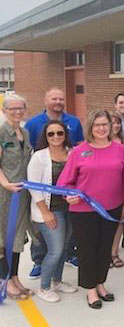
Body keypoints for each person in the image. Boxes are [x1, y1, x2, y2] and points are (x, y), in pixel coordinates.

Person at [57, 109, 124, 309]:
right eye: (97, 125)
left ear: (111, 126)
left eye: (105, 124)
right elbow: (64, 182)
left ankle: (100, 283)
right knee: (87, 250)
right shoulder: (79, 151)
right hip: (85, 211)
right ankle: (90, 289)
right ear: (90, 127)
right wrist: (69, 195)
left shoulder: (120, 150)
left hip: (113, 208)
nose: (101, 128)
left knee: (104, 249)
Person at [25, 87, 84, 274]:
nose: (58, 102)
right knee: (42, 226)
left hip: (67, 188)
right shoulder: (33, 123)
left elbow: (79, 147)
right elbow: (30, 151)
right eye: (54, 99)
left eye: (61, 98)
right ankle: (39, 260)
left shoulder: (74, 122)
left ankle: (67, 255)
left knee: (67, 227)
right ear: (45, 100)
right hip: (42, 181)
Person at [27, 119, 78, 302]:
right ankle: (44, 286)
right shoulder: (39, 157)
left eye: (59, 133)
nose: (56, 137)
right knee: (55, 250)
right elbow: (34, 187)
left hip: (70, 209)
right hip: (49, 210)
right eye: (51, 134)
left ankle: (57, 281)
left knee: (64, 248)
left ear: (65, 135)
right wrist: (45, 212)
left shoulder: (73, 153)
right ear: (45, 137)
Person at [0, 94, 33, 300]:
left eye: (21, 108)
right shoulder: (1, 133)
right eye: (12, 109)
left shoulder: (26, 133)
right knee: (3, 238)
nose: (17, 112)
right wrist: (5, 184)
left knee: (17, 237)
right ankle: (5, 281)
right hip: (4, 195)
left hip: (21, 196)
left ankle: (15, 277)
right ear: (4, 111)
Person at [109, 113, 124, 268]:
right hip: (103, 188)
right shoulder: (99, 142)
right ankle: (104, 254)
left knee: (119, 222)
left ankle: (114, 253)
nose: (115, 125)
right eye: (112, 122)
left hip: (120, 186)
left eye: (117, 123)